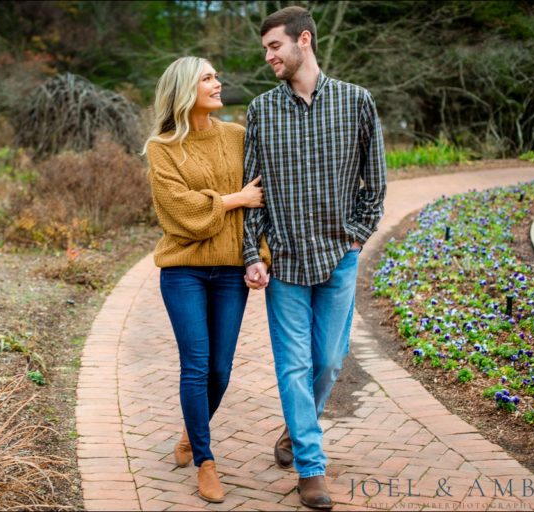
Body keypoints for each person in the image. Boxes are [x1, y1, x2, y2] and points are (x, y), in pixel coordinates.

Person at [241, 6, 387, 510]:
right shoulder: (262, 110)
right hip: (284, 260)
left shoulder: (357, 102)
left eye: (274, 46)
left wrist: (358, 236)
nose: (268, 57)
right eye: (265, 49)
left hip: (338, 258)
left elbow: (377, 181)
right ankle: (311, 466)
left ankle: (294, 428)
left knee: (327, 361)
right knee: (293, 366)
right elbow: (252, 190)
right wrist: (250, 256)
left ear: (304, 40)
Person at [143, 56, 269, 504]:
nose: (219, 83)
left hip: (232, 270)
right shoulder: (162, 147)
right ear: (185, 89)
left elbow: (263, 205)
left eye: (217, 75)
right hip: (184, 271)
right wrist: (235, 198)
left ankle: (189, 432)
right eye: (209, 78)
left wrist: (262, 256)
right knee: (196, 364)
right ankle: (205, 460)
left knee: (220, 367)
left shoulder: (238, 137)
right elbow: (181, 213)